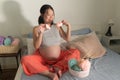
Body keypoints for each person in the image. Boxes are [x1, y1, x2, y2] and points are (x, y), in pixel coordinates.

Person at [21, 4, 81, 80]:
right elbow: (36, 46)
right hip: (42, 59)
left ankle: (58, 67)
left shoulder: (57, 26)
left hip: (59, 58)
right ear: (42, 15)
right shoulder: (36, 29)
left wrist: (69, 26)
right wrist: (41, 33)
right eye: (48, 15)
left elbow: (67, 39)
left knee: (76, 52)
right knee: (25, 59)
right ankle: (49, 74)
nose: (51, 18)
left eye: (53, 15)